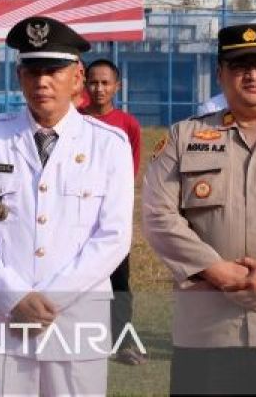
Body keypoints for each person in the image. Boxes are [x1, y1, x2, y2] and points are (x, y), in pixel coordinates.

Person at [0, 16, 133, 396]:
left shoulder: (109, 144)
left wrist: (51, 300)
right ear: (20, 76)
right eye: (32, 71)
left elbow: (114, 236)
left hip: (76, 320)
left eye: (54, 70)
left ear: (77, 76)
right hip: (4, 321)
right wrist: (14, 297)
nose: (42, 82)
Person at [142, 22, 256, 394]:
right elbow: (159, 215)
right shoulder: (185, 137)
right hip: (207, 326)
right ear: (220, 73)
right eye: (241, 66)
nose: (253, 75)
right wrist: (217, 270)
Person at [80, 57, 146, 366]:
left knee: (119, 281)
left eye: (105, 82)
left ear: (116, 86)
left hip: (109, 216)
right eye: (93, 82)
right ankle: (81, 337)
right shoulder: (74, 119)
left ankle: (123, 341)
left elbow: (129, 172)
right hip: (77, 216)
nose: (99, 88)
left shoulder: (127, 124)